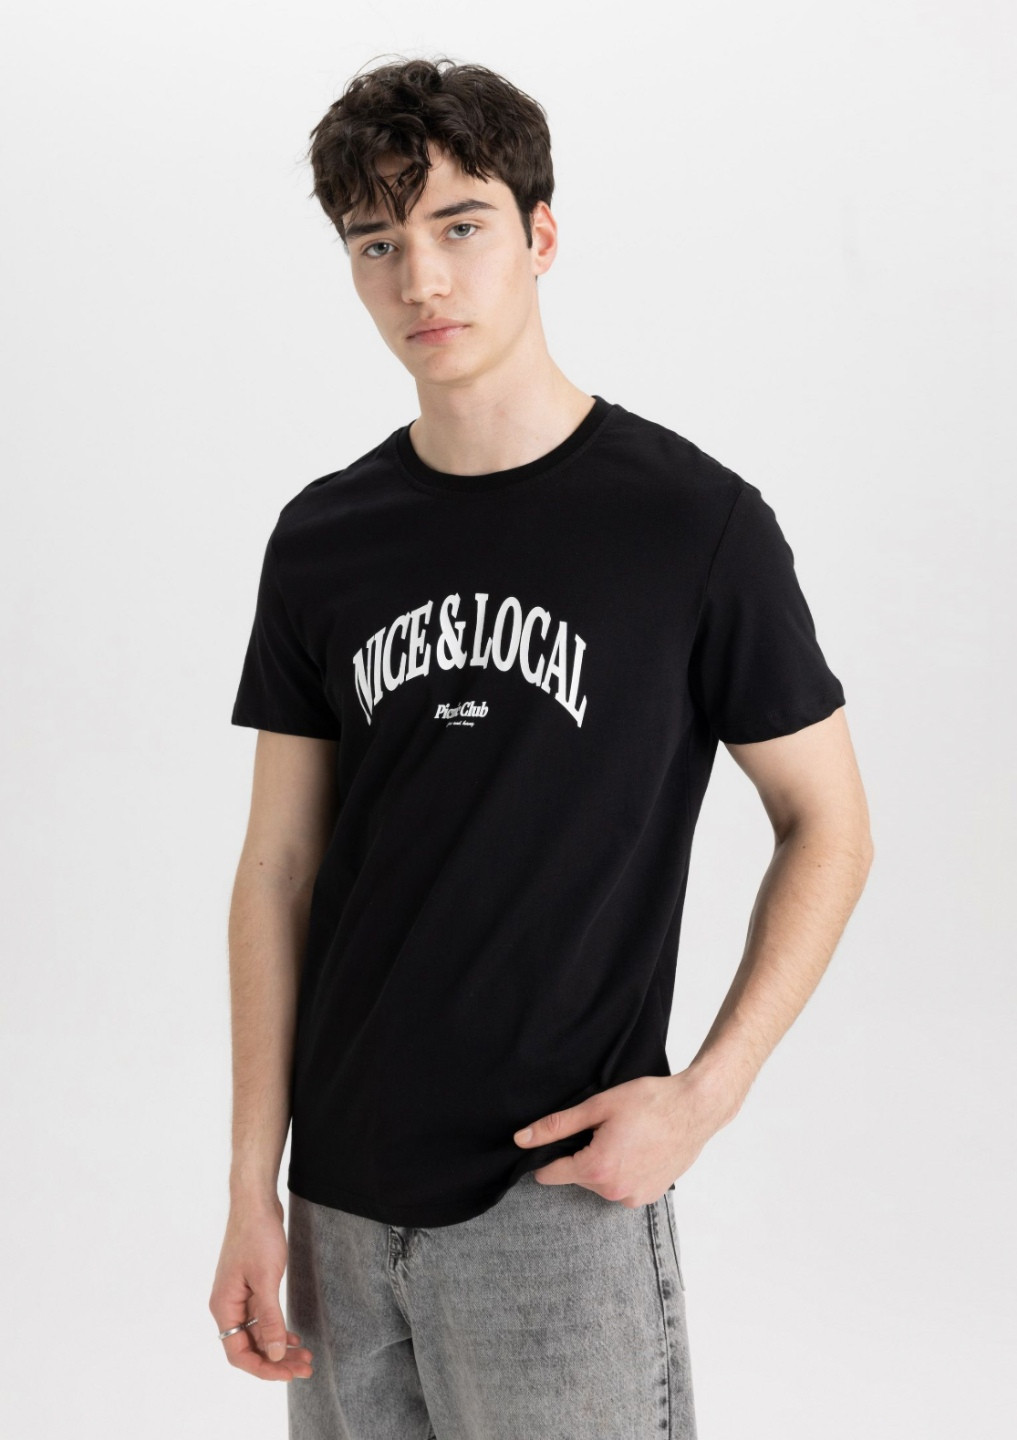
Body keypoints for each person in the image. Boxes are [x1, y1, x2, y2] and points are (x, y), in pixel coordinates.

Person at [208, 55, 874, 1440]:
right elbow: (278, 870)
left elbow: (831, 823)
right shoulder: (323, 538)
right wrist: (250, 1187)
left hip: (557, 1202)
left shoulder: (692, 526)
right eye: (377, 244)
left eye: (459, 226)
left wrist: (703, 1099)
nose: (421, 280)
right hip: (336, 1209)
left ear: (541, 233)